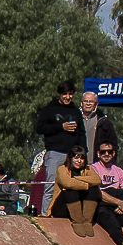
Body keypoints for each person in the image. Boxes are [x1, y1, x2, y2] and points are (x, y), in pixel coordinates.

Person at [35, 80, 86, 215]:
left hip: (72, 154)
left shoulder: (76, 111)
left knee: (72, 185)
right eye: (65, 94)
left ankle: (68, 214)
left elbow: (82, 133)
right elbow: (39, 128)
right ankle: (46, 214)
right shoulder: (50, 109)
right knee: (50, 185)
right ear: (60, 94)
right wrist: (60, 127)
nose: (67, 97)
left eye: (70, 94)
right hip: (55, 152)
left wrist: (82, 151)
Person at [47, 146, 101, 237]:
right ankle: (77, 222)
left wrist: (78, 178)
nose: (79, 161)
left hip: (81, 206)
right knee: (70, 191)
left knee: (94, 190)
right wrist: (86, 185)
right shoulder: (62, 169)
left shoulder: (88, 169)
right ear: (70, 158)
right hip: (62, 206)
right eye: (76, 158)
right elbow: (67, 183)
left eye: (82, 158)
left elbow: (97, 180)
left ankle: (87, 221)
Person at [80, 91, 118, 162]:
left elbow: (113, 144)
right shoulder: (74, 119)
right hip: (77, 163)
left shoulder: (104, 122)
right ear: (81, 103)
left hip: (97, 164)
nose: (88, 104)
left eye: (91, 101)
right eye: (85, 101)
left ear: (96, 104)